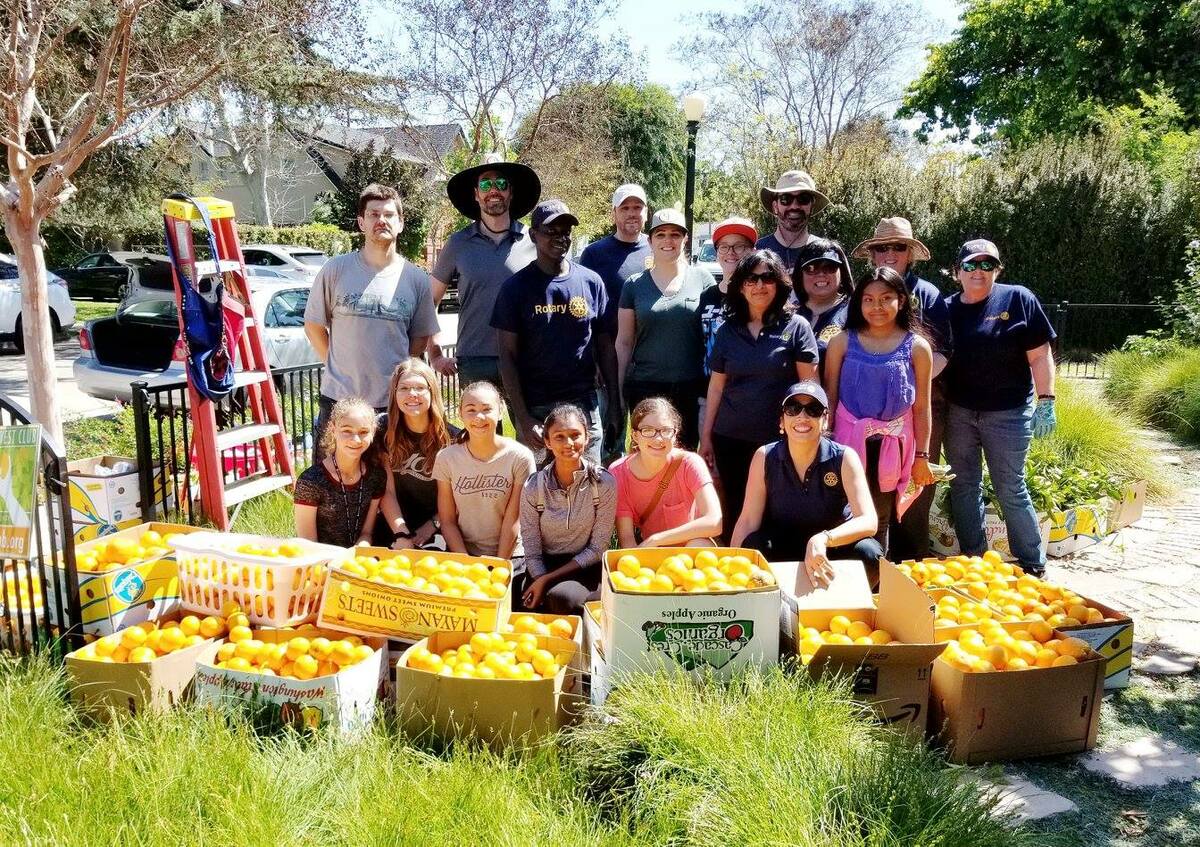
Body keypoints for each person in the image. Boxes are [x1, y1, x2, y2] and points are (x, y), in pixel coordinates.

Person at [942, 239, 1057, 576]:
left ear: (997, 269)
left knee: (1010, 487)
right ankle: (973, 559)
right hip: (959, 413)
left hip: (1007, 414)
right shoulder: (947, 309)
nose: (979, 271)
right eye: (971, 265)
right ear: (957, 272)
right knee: (963, 485)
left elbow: (1039, 355)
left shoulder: (1018, 299)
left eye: (987, 264)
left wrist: (1046, 400)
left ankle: (1032, 563)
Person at [304, 183, 439, 457]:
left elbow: (420, 339)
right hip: (339, 401)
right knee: (335, 485)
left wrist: (398, 376)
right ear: (361, 222)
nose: (381, 220)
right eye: (374, 214)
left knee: (387, 486)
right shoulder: (335, 270)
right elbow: (314, 326)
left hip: (392, 405)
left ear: (400, 223)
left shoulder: (415, 279)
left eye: (389, 215)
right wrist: (336, 362)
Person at [851, 217, 954, 558]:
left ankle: (912, 568)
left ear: (910, 253)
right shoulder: (864, 292)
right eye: (882, 247)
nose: (890, 253)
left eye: (898, 247)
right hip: (864, 423)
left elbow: (943, 352)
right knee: (870, 500)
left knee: (913, 496)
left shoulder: (929, 295)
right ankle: (875, 568)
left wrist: (906, 381)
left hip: (918, 412)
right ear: (872, 254)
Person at [491, 199, 618, 463]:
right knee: (539, 493)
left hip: (584, 405)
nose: (560, 238)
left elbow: (606, 347)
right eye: (551, 231)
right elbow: (507, 357)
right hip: (537, 408)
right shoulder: (515, 289)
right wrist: (523, 418)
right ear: (533, 235)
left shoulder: (591, 282)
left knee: (587, 487)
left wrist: (615, 404)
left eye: (566, 232)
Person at [699, 250, 819, 529]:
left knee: (777, 517)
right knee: (735, 512)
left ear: (779, 283)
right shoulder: (728, 330)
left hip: (779, 441)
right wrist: (706, 437)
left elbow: (810, 389)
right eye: (751, 279)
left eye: (767, 277)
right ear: (740, 285)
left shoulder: (797, 327)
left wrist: (812, 435)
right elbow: (716, 386)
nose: (759, 285)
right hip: (730, 439)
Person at [824, 267, 935, 555]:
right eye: (869, 299)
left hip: (893, 447)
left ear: (901, 299)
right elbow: (830, 401)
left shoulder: (918, 347)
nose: (877, 307)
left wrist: (922, 456)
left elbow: (922, 408)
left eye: (886, 298)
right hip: (847, 445)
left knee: (880, 519)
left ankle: (875, 584)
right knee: (843, 512)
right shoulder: (842, 342)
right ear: (858, 302)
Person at [730, 382, 882, 585]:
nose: (802, 416)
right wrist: (730, 565)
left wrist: (823, 538)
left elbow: (868, 521)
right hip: (782, 548)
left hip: (830, 549)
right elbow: (748, 520)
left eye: (813, 409)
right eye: (793, 409)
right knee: (752, 545)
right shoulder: (764, 456)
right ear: (782, 421)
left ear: (825, 420)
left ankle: (846, 605)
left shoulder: (844, 458)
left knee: (870, 553)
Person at [428, 154, 541, 393]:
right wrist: (435, 353)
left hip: (524, 357)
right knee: (480, 430)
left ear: (511, 192)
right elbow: (428, 301)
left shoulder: (534, 242)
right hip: (474, 359)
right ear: (476, 194)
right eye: (486, 184)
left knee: (528, 430)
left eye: (501, 184)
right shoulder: (458, 244)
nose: (494, 190)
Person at [616, 209, 714, 449]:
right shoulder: (634, 285)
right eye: (660, 235)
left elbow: (714, 338)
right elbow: (624, 342)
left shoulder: (703, 280)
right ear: (650, 240)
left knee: (684, 460)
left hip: (689, 388)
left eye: (675, 234)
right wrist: (618, 392)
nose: (668, 241)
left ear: (685, 239)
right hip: (645, 387)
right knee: (645, 457)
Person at [518, 404, 617, 614]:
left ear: (587, 437)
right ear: (547, 441)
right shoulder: (533, 487)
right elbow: (532, 547)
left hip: (585, 565)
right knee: (520, 604)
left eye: (575, 435)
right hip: (544, 564)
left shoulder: (603, 483)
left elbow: (598, 548)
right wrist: (539, 577)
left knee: (562, 598)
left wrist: (547, 581)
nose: (569, 443)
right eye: (559, 437)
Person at [579, 183, 653, 461]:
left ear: (646, 212)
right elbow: (585, 314)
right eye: (625, 208)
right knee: (610, 436)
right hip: (608, 360)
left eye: (638, 207)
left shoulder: (658, 246)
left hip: (648, 362)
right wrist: (595, 360)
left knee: (647, 435)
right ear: (614, 214)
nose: (632, 213)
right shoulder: (595, 254)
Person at [433, 381, 536, 562]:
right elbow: (447, 520)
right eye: (471, 409)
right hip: (462, 552)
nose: (478, 417)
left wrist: (498, 565)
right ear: (460, 414)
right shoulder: (446, 458)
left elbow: (514, 519)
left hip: (511, 553)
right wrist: (465, 563)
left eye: (487, 409)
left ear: (500, 411)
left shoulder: (520, 457)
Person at [610, 397, 722, 548]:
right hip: (652, 553)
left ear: (675, 434)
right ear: (635, 435)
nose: (658, 438)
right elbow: (627, 538)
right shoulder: (619, 472)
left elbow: (715, 521)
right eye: (648, 430)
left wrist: (656, 540)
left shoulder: (690, 463)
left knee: (699, 544)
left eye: (666, 431)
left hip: (691, 549)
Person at [374, 358, 460, 550]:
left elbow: (460, 496)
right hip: (393, 522)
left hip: (440, 525)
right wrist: (401, 532)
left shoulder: (453, 437)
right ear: (394, 393)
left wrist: (432, 525)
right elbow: (386, 490)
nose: (412, 394)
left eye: (420, 388)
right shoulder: (382, 429)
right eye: (404, 388)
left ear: (432, 391)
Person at [294, 397, 387, 547]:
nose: (355, 439)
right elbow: (307, 543)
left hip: (358, 561)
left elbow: (366, 533)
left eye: (363, 432)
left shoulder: (376, 476)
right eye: (347, 431)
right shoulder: (311, 481)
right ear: (333, 429)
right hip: (320, 563)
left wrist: (357, 552)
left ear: (373, 432)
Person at [793, 239, 854, 371]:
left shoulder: (857, 312)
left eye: (829, 267)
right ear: (800, 275)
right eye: (811, 268)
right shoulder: (788, 316)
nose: (821, 274)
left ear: (841, 272)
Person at [755, 170, 830, 274]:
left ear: (812, 206)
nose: (794, 206)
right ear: (775, 206)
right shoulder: (757, 251)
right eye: (786, 199)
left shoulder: (826, 252)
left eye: (803, 199)